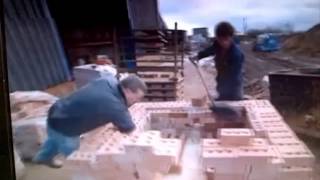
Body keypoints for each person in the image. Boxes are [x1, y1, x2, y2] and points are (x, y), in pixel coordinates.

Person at [33, 75, 147, 168]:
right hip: (66, 126)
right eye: (136, 97)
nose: (136, 101)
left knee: (54, 139)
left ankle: (42, 158)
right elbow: (128, 128)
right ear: (127, 90)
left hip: (56, 112)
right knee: (78, 158)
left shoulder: (108, 79)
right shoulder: (114, 105)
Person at [192, 22, 244, 101]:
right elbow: (209, 51)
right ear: (217, 38)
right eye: (220, 40)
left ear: (231, 37)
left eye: (226, 40)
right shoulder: (217, 45)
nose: (223, 43)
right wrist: (197, 56)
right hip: (221, 87)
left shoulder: (236, 54)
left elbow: (233, 77)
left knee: (231, 110)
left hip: (234, 92)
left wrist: (224, 97)